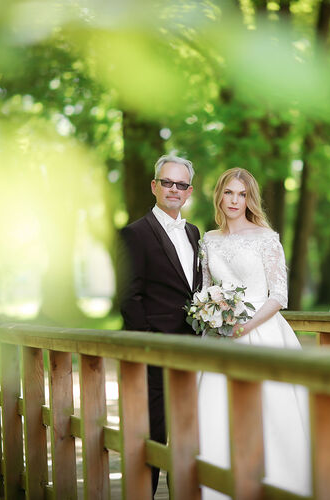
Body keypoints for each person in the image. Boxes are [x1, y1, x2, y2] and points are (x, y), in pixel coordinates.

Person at [197, 167, 330, 499]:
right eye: (229, 192)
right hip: (219, 339)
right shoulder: (209, 240)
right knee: (216, 416)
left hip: (262, 332)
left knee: (276, 416)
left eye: (242, 194)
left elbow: (278, 296)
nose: (234, 200)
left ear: (250, 199)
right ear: (219, 195)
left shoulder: (266, 238)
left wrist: (244, 326)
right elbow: (204, 289)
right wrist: (209, 313)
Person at [117, 154, 201, 496]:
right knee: (151, 439)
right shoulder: (134, 233)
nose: (174, 190)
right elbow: (128, 297)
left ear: (189, 191)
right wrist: (150, 345)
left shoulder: (194, 233)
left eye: (181, 185)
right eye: (167, 182)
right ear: (154, 186)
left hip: (193, 354)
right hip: (153, 355)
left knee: (188, 438)